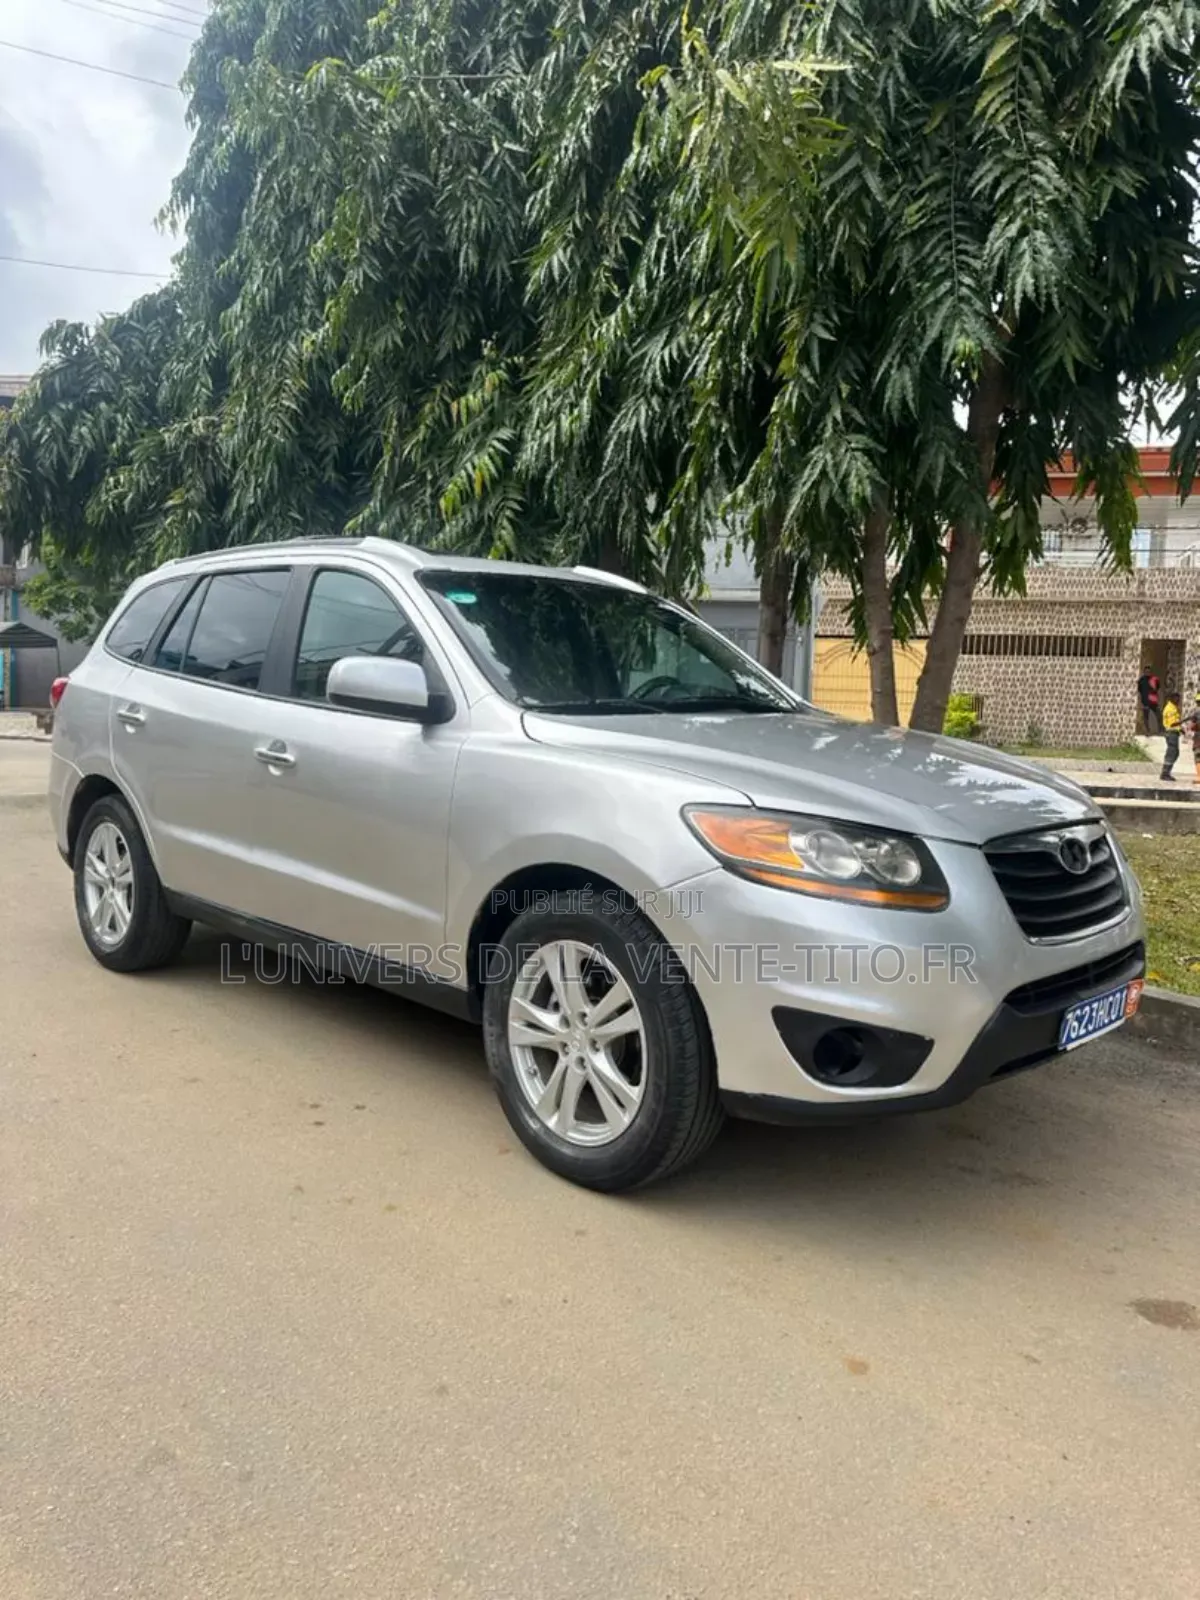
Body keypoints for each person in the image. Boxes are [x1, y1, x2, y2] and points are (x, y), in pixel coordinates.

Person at [1160, 688, 1181, 781]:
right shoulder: (1170, 708)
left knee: (1175, 752)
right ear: (1171, 698)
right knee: (1172, 752)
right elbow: (1173, 724)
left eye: (1179, 698)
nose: (1178, 700)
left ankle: (1166, 772)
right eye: (1176, 697)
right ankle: (1165, 773)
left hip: (1174, 732)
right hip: (1171, 733)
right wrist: (1187, 719)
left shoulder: (1173, 707)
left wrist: (1182, 729)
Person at [1138, 665, 1161, 734]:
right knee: (1146, 717)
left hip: (1153, 701)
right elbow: (1140, 691)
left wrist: (1154, 691)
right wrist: (1141, 701)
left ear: (1151, 672)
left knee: (1158, 715)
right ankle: (1147, 731)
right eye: (1146, 671)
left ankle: (1160, 730)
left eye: (1149, 671)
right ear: (1144, 672)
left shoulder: (1155, 679)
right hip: (1145, 702)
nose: (1148, 673)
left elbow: (1158, 688)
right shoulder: (1141, 680)